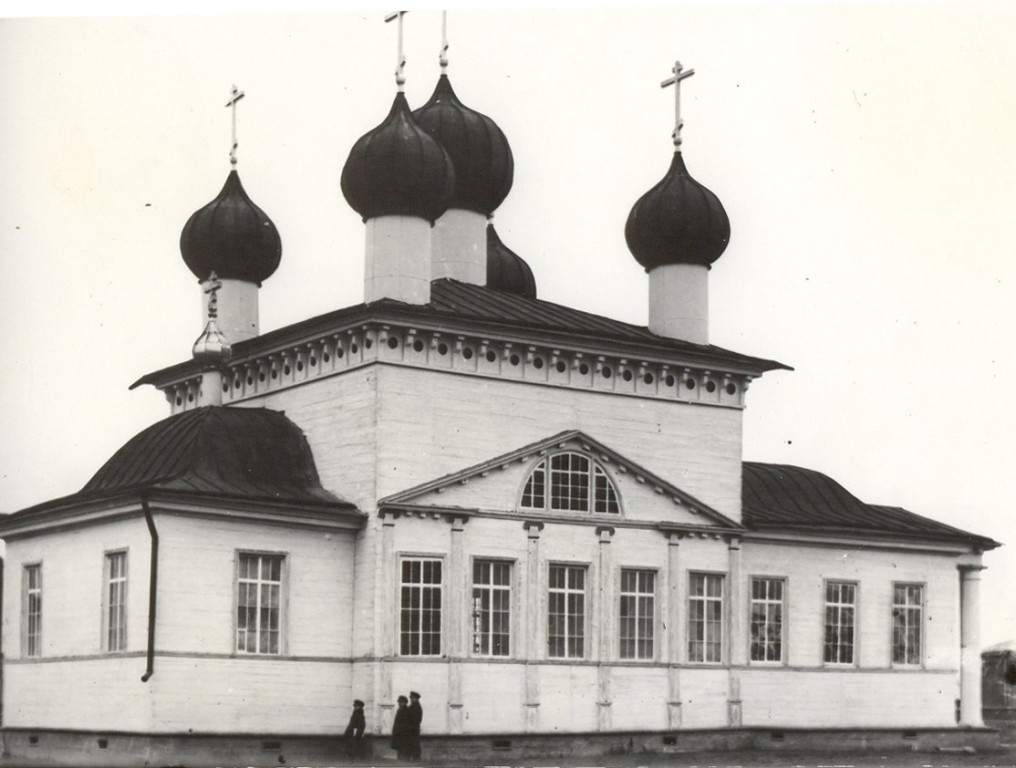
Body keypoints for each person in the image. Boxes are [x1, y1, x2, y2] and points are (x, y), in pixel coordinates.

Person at [390, 695, 411, 760]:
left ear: (404, 702)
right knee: (400, 747)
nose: (399, 704)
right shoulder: (400, 710)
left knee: (403, 747)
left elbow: (405, 723)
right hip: (399, 733)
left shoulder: (406, 710)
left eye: (400, 702)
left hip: (403, 733)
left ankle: (404, 760)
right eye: (399, 702)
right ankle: (401, 759)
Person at [407, 690, 423, 760]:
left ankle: (416, 757)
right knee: (412, 743)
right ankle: (414, 757)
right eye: (411, 698)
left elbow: (417, 719)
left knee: (415, 743)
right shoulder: (413, 706)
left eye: (412, 698)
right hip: (412, 728)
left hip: (414, 728)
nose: (411, 699)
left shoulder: (416, 707)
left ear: (416, 698)